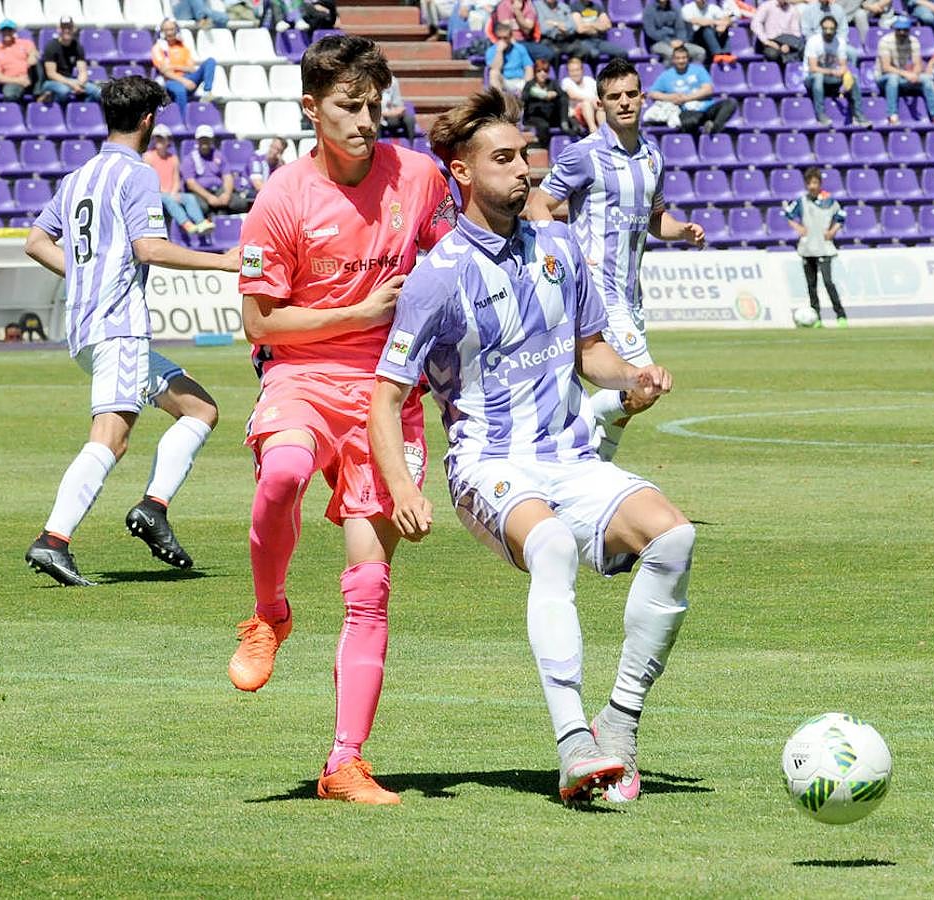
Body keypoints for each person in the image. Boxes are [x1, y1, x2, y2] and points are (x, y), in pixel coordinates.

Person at [369, 88, 697, 806]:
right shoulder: (439, 277)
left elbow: (592, 350)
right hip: (485, 463)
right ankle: (573, 744)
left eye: (528, 156)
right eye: (506, 158)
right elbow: (385, 398)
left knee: (672, 539)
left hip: (570, 458)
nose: (526, 170)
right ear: (462, 173)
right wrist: (401, 489)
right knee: (549, 546)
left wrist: (633, 378)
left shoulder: (558, 246)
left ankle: (619, 723)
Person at [227, 35, 456, 805]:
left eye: (373, 105)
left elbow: (453, 262)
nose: (365, 121)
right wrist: (357, 310)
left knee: (369, 586)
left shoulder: (417, 177)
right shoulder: (282, 197)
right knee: (285, 471)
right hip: (303, 374)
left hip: (389, 395)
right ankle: (269, 614)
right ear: (311, 109)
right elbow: (259, 324)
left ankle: (344, 763)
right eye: (348, 107)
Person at [23, 76, 239, 587]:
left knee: (200, 408)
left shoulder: (77, 176)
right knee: (112, 439)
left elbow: (35, 241)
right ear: (148, 120)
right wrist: (222, 262)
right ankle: (53, 539)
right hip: (118, 325)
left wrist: (84, 273)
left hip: (86, 326)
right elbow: (151, 249)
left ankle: (153, 508)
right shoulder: (137, 173)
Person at [526, 58, 705, 461]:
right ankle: (570, 437)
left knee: (633, 397)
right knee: (645, 382)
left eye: (630, 94)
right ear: (601, 103)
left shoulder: (653, 157)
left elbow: (656, 219)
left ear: (643, 98)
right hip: (596, 290)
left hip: (630, 295)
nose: (624, 102)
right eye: (613, 96)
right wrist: (556, 253)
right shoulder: (584, 155)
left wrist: (683, 231)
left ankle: (595, 468)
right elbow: (540, 203)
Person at [784, 166, 848, 327]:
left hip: (824, 247)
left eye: (815, 182)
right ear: (806, 184)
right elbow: (788, 214)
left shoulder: (829, 201)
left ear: (819, 183)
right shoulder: (802, 201)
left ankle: (841, 315)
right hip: (807, 248)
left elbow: (841, 216)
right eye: (810, 183)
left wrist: (833, 231)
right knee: (811, 285)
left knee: (828, 282)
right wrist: (798, 228)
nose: (812, 186)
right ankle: (816, 317)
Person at [143, 123, 215, 237]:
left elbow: (176, 179)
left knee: (189, 198)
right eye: (156, 138)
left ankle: (201, 222)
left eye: (161, 138)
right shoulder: (148, 157)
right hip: (155, 194)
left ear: (168, 140)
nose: (158, 141)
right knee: (168, 199)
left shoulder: (174, 158)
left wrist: (174, 192)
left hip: (171, 193)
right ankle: (187, 224)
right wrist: (165, 193)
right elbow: (147, 181)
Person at [648, 45, 739, 134]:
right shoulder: (666, 75)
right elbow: (652, 93)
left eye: (684, 58)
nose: (681, 61)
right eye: (678, 58)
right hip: (687, 111)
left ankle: (714, 127)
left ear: (688, 58)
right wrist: (671, 97)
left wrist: (686, 98)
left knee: (730, 103)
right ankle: (705, 132)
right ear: (673, 59)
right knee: (690, 121)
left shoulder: (699, 70)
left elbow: (708, 89)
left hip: (707, 109)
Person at [876, 16, 934, 125]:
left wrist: (915, 74)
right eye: (899, 29)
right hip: (884, 78)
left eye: (905, 29)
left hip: (904, 77)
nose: (902, 32)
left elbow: (917, 64)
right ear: (895, 29)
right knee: (893, 78)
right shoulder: (885, 41)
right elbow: (886, 67)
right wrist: (908, 74)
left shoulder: (913, 41)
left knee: (926, 78)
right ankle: (892, 115)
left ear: (909, 29)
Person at [803, 14, 869, 126]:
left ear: (835, 29)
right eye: (825, 28)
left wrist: (843, 72)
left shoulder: (840, 42)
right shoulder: (813, 41)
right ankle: (821, 115)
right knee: (818, 77)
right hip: (812, 78)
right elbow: (813, 68)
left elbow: (843, 65)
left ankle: (859, 115)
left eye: (831, 29)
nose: (828, 31)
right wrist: (833, 72)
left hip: (830, 79)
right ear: (821, 28)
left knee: (852, 78)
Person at [151, 18, 217, 120]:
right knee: (180, 91)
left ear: (176, 30)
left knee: (210, 61)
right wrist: (184, 80)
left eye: (172, 29)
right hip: (172, 81)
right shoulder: (158, 48)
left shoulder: (182, 46)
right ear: (162, 32)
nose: (170, 33)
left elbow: (192, 69)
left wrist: (173, 66)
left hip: (187, 77)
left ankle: (207, 92)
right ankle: (182, 121)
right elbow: (164, 71)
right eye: (166, 30)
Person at [185, 124, 250, 215]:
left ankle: (222, 215)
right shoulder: (190, 159)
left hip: (219, 189)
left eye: (207, 139)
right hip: (201, 192)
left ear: (211, 140)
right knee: (203, 207)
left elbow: (227, 176)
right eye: (202, 139)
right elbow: (191, 184)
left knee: (240, 204)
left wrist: (227, 194)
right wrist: (209, 197)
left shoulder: (219, 155)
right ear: (197, 140)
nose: (204, 142)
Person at [39, 16, 102, 105]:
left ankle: (81, 109)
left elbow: (83, 71)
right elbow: (51, 74)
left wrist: (80, 83)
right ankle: (52, 104)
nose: (67, 30)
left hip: (71, 80)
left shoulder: (77, 46)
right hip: (51, 82)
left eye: (69, 27)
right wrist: (72, 84)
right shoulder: (51, 47)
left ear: (74, 29)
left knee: (97, 92)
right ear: (59, 29)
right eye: (63, 27)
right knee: (64, 91)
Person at [0, 19, 40, 102]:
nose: (7, 33)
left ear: (13, 31)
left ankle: (39, 93)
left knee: (38, 62)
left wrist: (32, 56)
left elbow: (33, 51)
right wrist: (19, 80)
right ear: (1, 32)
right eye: (4, 30)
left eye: (9, 30)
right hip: (13, 81)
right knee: (10, 94)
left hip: (30, 78)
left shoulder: (25, 43)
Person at [522, 57, 569, 146]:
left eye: (545, 71)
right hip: (535, 116)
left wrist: (555, 95)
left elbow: (563, 96)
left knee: (570, 118)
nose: (542, 74)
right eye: (539, 71)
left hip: (551, 115)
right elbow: (524, 97)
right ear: (535, 72)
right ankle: (544, 147)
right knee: (543, 126)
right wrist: (542, 95)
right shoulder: (530, 84)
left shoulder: (552, 83)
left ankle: (564, 123)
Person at [641, 0, 706, 65]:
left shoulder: (675, 8)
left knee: (700, 52)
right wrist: (669, 41)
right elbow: (651, 32)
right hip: (658, 42)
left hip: (677, 42)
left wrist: (681, 41)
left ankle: (692, 73)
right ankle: (670, 74)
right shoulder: (648, 10)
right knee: (672, 53)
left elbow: (681, 28)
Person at [568, 0, 629, 65]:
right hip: (583, 41)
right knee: (594, 54)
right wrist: (598, 24)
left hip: (599, 41)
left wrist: (589, 24)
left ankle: (614, 73)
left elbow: (608, 25)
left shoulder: (597, 6)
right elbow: (580, 29)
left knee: (622, 53)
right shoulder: (574, 7)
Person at [487, 21, 534, 96]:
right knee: (493, 73)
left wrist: (527, 85)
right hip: (504, 81)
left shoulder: (519, 48)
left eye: (505, 38)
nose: (502, 40)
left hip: (519, 80)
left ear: (510, 37)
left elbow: (528, 67)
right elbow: (495, 68)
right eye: (499, 38)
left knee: (529, 73)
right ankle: (499, 101)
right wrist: (499, 52)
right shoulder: (492, 50)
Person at [751, 0, 804, 64]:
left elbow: (796, 32)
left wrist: (788, 45)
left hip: (788, 41)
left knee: (804, 51)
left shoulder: (793, 9)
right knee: (773, 54)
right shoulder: (766, 6)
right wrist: (766, 41)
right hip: (770, 41)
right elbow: (755, 24)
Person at [562, 55, 601, 132]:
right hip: (576, 115)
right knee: (586, 103)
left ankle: (604, 132)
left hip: (595, 111)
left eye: (577, 70)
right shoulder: (566, 81)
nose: (575, 73)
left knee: (601, 108)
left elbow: (600, 94)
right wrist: (591, 99)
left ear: (582, 70)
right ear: (568, 72)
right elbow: (572, 95)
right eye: (572, 71)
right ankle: (593, 130)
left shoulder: (589, 80)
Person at [379, 75, 417, 143]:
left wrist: (399, 110)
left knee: (409, 119)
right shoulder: (370, 80)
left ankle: (411, 146)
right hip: (377, 115)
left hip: (390, 115)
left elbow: (398, 103)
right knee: (375, 121)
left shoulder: (393, 81)